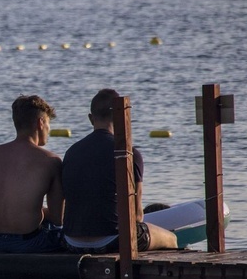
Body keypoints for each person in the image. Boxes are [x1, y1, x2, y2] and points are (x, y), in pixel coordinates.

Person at [61, 88, 177, 253]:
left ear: (90, 118)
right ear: (122, 117)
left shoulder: (71, 152)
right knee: (171, 239)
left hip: (72, 242)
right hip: (114, 240)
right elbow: (137, 215)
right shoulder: (129, 153)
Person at [0, 95, 64, 253]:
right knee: (62, 231)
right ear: (41, 123)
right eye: (48, 123)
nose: (49, 130)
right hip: (29, 243)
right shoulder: (50, 160)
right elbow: (58, 217)